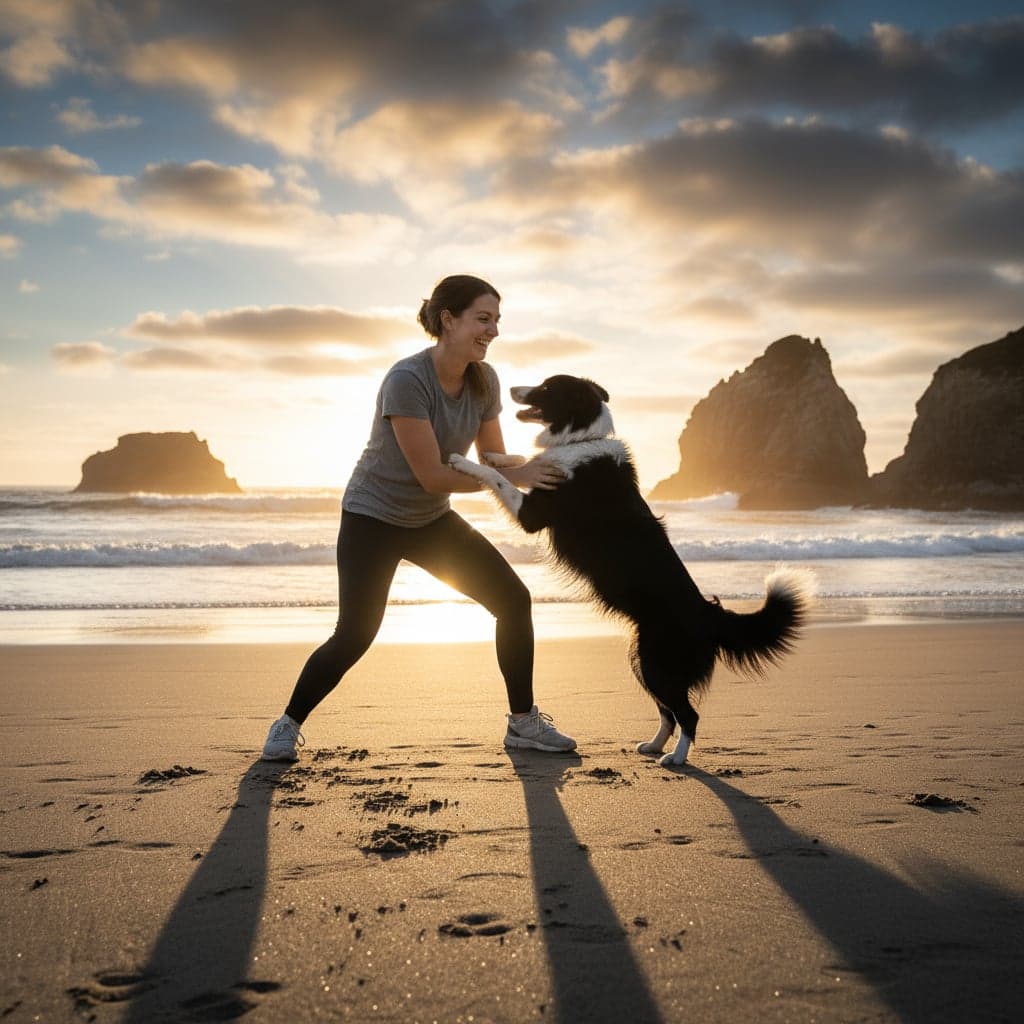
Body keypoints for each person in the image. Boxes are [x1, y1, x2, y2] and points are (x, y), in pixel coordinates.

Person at [261, 274, 577, 761]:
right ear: (448, 321)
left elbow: (493, 457)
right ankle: (287, 724)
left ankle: (522, 723)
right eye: (483, 319)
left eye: (496, 321)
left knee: (513, 601)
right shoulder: (407, 380)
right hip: (373, 518)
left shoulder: (483, 380)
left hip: (430, 521)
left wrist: (548, 468)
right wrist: (518, 476)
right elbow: (431, 474)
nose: (492, 331)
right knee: (356, 634)